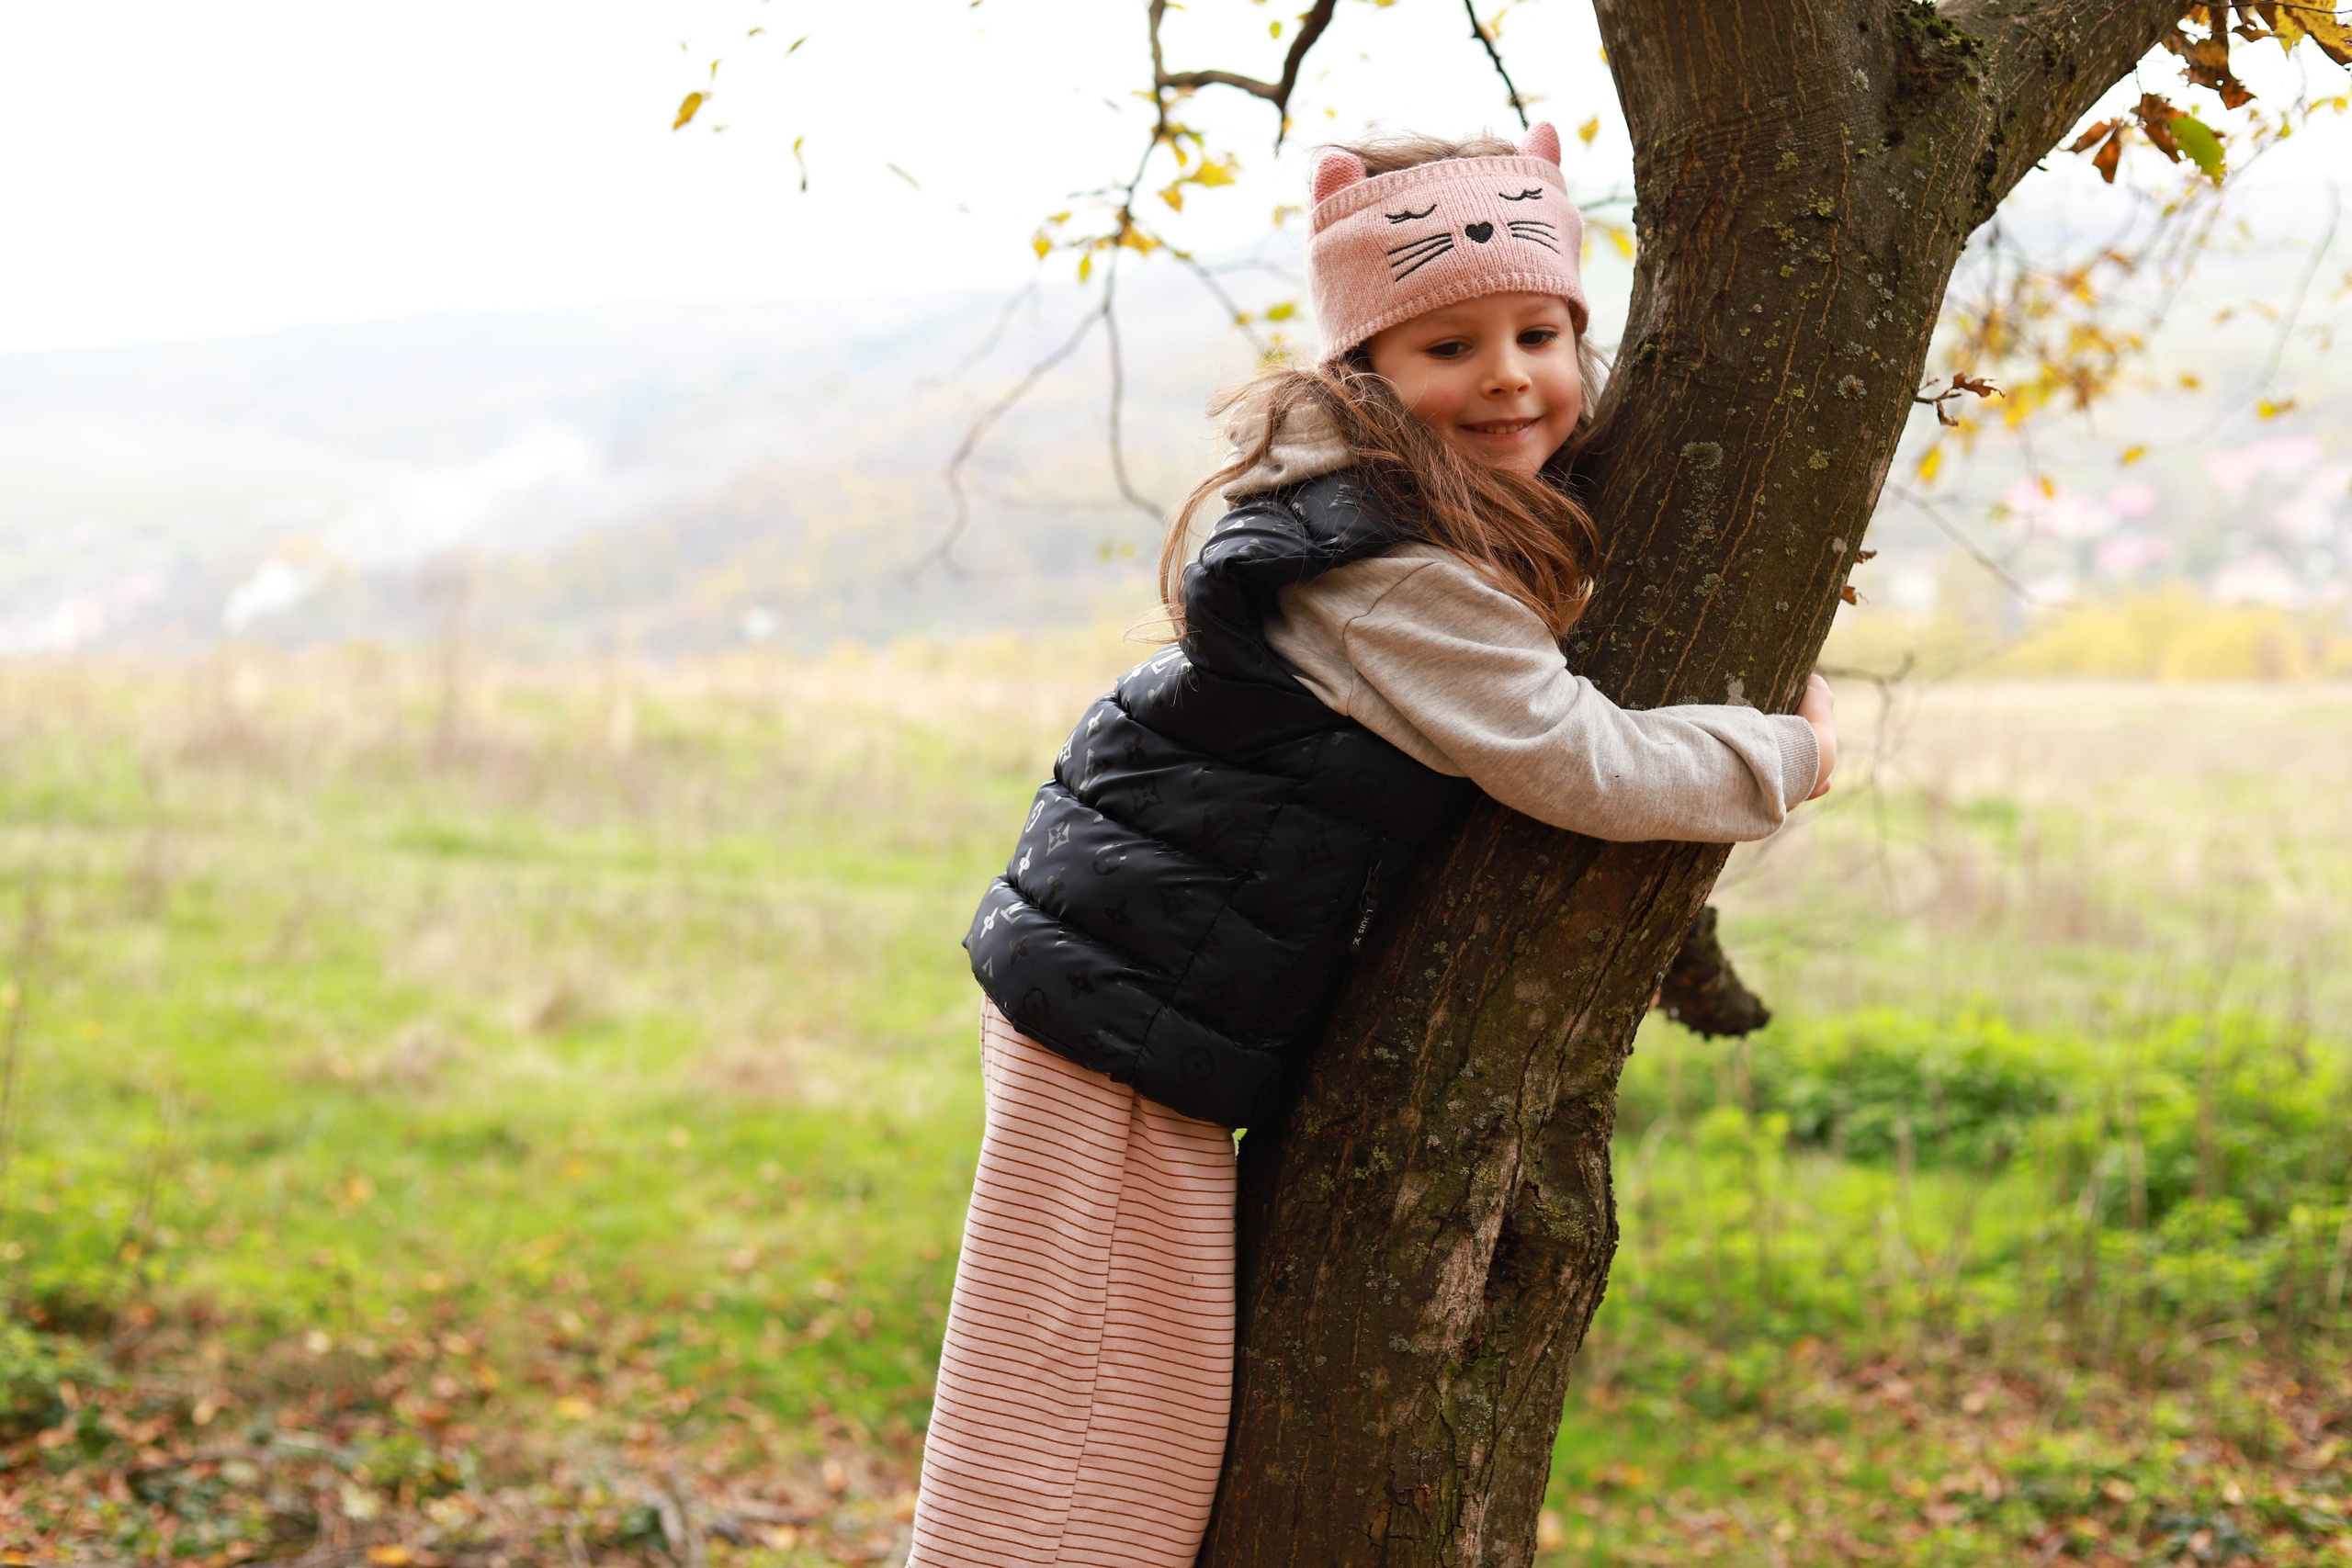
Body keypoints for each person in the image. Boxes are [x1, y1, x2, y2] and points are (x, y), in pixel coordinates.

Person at [907, 122, 1838, 1567]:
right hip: (1123, 1005)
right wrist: (1791, 752)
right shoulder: (1387, 566)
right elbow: (1579, 760)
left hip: (1131, 986)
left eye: (1539, 333)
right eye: (1449, 345)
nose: (1508, 376)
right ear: (1366, 370)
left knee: (1103, 1393)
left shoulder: (1397, 517)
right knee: (1085, 1411)